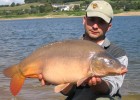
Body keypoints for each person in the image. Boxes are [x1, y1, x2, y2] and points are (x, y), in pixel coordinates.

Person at [39, 0, 128, 100]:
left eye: (101, 22)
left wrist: (98, 83)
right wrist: (55, 79)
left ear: (109, 27)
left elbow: (112, 88)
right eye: (92, 20)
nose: (95, 26)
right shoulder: (70, 48)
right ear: (84, 20)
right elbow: (67, 92)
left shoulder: (118, 53)